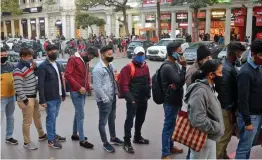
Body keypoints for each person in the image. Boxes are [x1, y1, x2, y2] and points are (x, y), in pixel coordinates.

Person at [184, 59, 224, 159]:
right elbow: (197, 119)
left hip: (210, 137)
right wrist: (217, 127)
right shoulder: (200, 91)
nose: (222, 75)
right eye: (220, 72)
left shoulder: (209, 87)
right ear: (211, 75)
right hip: (202, 139)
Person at [215, 42, 246, 159]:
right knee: (225, 135)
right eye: (240, 52)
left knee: (226, 134)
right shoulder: (227, 69)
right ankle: (217, 156)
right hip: (226, 107)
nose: (241, 54)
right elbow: (225, 93)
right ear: (235, 52)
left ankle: (222, 154)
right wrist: (230, 110)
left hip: (227, 106)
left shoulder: (229, 65)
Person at [118, 46, 151, 154]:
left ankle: (137, 137)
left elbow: (148, 80)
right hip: (133, 100)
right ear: (134, 55)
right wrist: (131, 99)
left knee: (140, 119)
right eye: (139, 55)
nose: (141, 57)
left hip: (143, 99)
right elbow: (124, 85)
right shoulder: (128, 68)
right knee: (129, 121)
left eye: (142, 54)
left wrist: (148, 94)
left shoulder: (145, 66)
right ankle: (126, 142)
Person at [13, 47, 47, 150]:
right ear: (23, 57)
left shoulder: (29, 65)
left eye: (31, 56)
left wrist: (35, 68)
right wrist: (25, 100)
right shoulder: (18, 69)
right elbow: (18, 87)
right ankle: (27, 142)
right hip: (27, 99)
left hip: (33, 96)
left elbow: (33, 76)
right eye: (29, 56)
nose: (31, 58)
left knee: (37, 117)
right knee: (27, 122)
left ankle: (41, 135)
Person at [64, 47, 98, 149]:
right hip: (76, 92)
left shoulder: (85, 62)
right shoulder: (73, 59)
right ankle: (82, 140)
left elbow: (84, 76)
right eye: (91, 57)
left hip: (82, 91)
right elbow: (67, 75)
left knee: (78, 113)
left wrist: (88, 87)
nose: (91, 59)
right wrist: (79, 87)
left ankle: (75, 134)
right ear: (87, 53)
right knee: (81, 116)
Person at [92, 45, 123, 153]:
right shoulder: (98, 69)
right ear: (102, 55)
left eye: (112, 54)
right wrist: (106, 99)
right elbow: (97, 87)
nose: (111, 56)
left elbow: (114, 77)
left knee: (112, 118)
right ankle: (105, 143)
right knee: (103, 122)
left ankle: (113, 138)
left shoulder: (110, 65)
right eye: (109, 54)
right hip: (104, 100)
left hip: (112, 96)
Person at [235, 40, 262, 159]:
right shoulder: (245, 72)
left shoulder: (259, 68)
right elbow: (242, 99)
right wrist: (247, 122)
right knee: (244, 147)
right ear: (254, 54)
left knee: (249, 146)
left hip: (258, 114)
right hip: (250, 116)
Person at [160, 42, 186, 159]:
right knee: (168, 126)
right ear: (173, 52)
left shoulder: (174, 64)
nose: (181, 53)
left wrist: (179, 82)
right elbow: (179, 81)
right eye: (179, 51)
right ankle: (165, 154)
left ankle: (170, 146)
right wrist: (184, 67)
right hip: (170, 101)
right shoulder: (167, 66)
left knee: (172, 125)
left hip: (176, 99)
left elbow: (181, 82)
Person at [38, 44, 66, 149]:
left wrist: (63, 93)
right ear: (47, 53)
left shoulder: (57, 64)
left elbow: (60, 81)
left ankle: (53, 135)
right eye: (52, 52)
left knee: (54, 118)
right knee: (50, 119)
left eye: (55, 51)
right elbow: (40, 85)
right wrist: (42, 100)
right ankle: (51, 140)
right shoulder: (43, 66)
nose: (54, 53)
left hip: (58, 96)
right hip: (50, 98)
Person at [0, 48, 18, 145]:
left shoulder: (10, 65)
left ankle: (9, 137)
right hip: (1, 98)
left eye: (5, 55)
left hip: (11, 96)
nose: (4, 57)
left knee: (10, 117)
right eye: (1, 55)